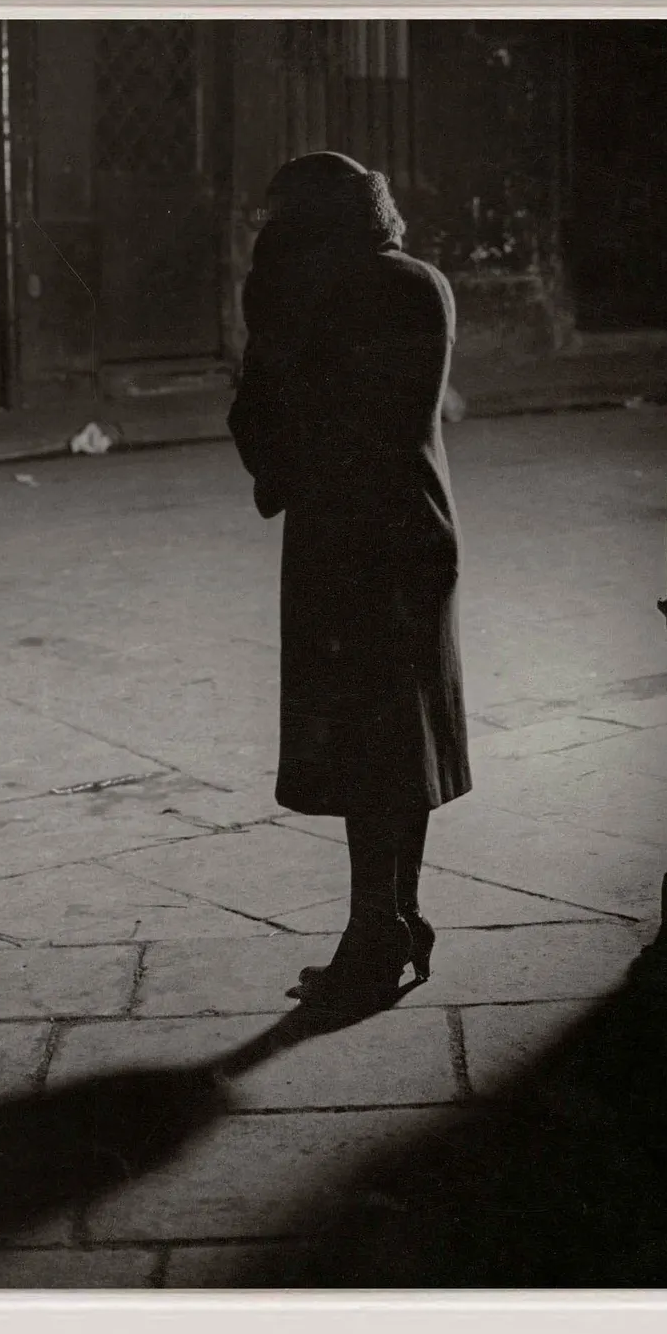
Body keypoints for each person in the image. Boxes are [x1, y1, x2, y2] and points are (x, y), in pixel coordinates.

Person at [228, 151, 472, 1010]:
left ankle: (375, 934)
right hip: (418, 528)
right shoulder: (419, 280)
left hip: (348, 540)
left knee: (369, 748)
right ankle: (396, 917)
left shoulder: (319, 299)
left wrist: (263, 317)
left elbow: (272, 429)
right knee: (404, 741)